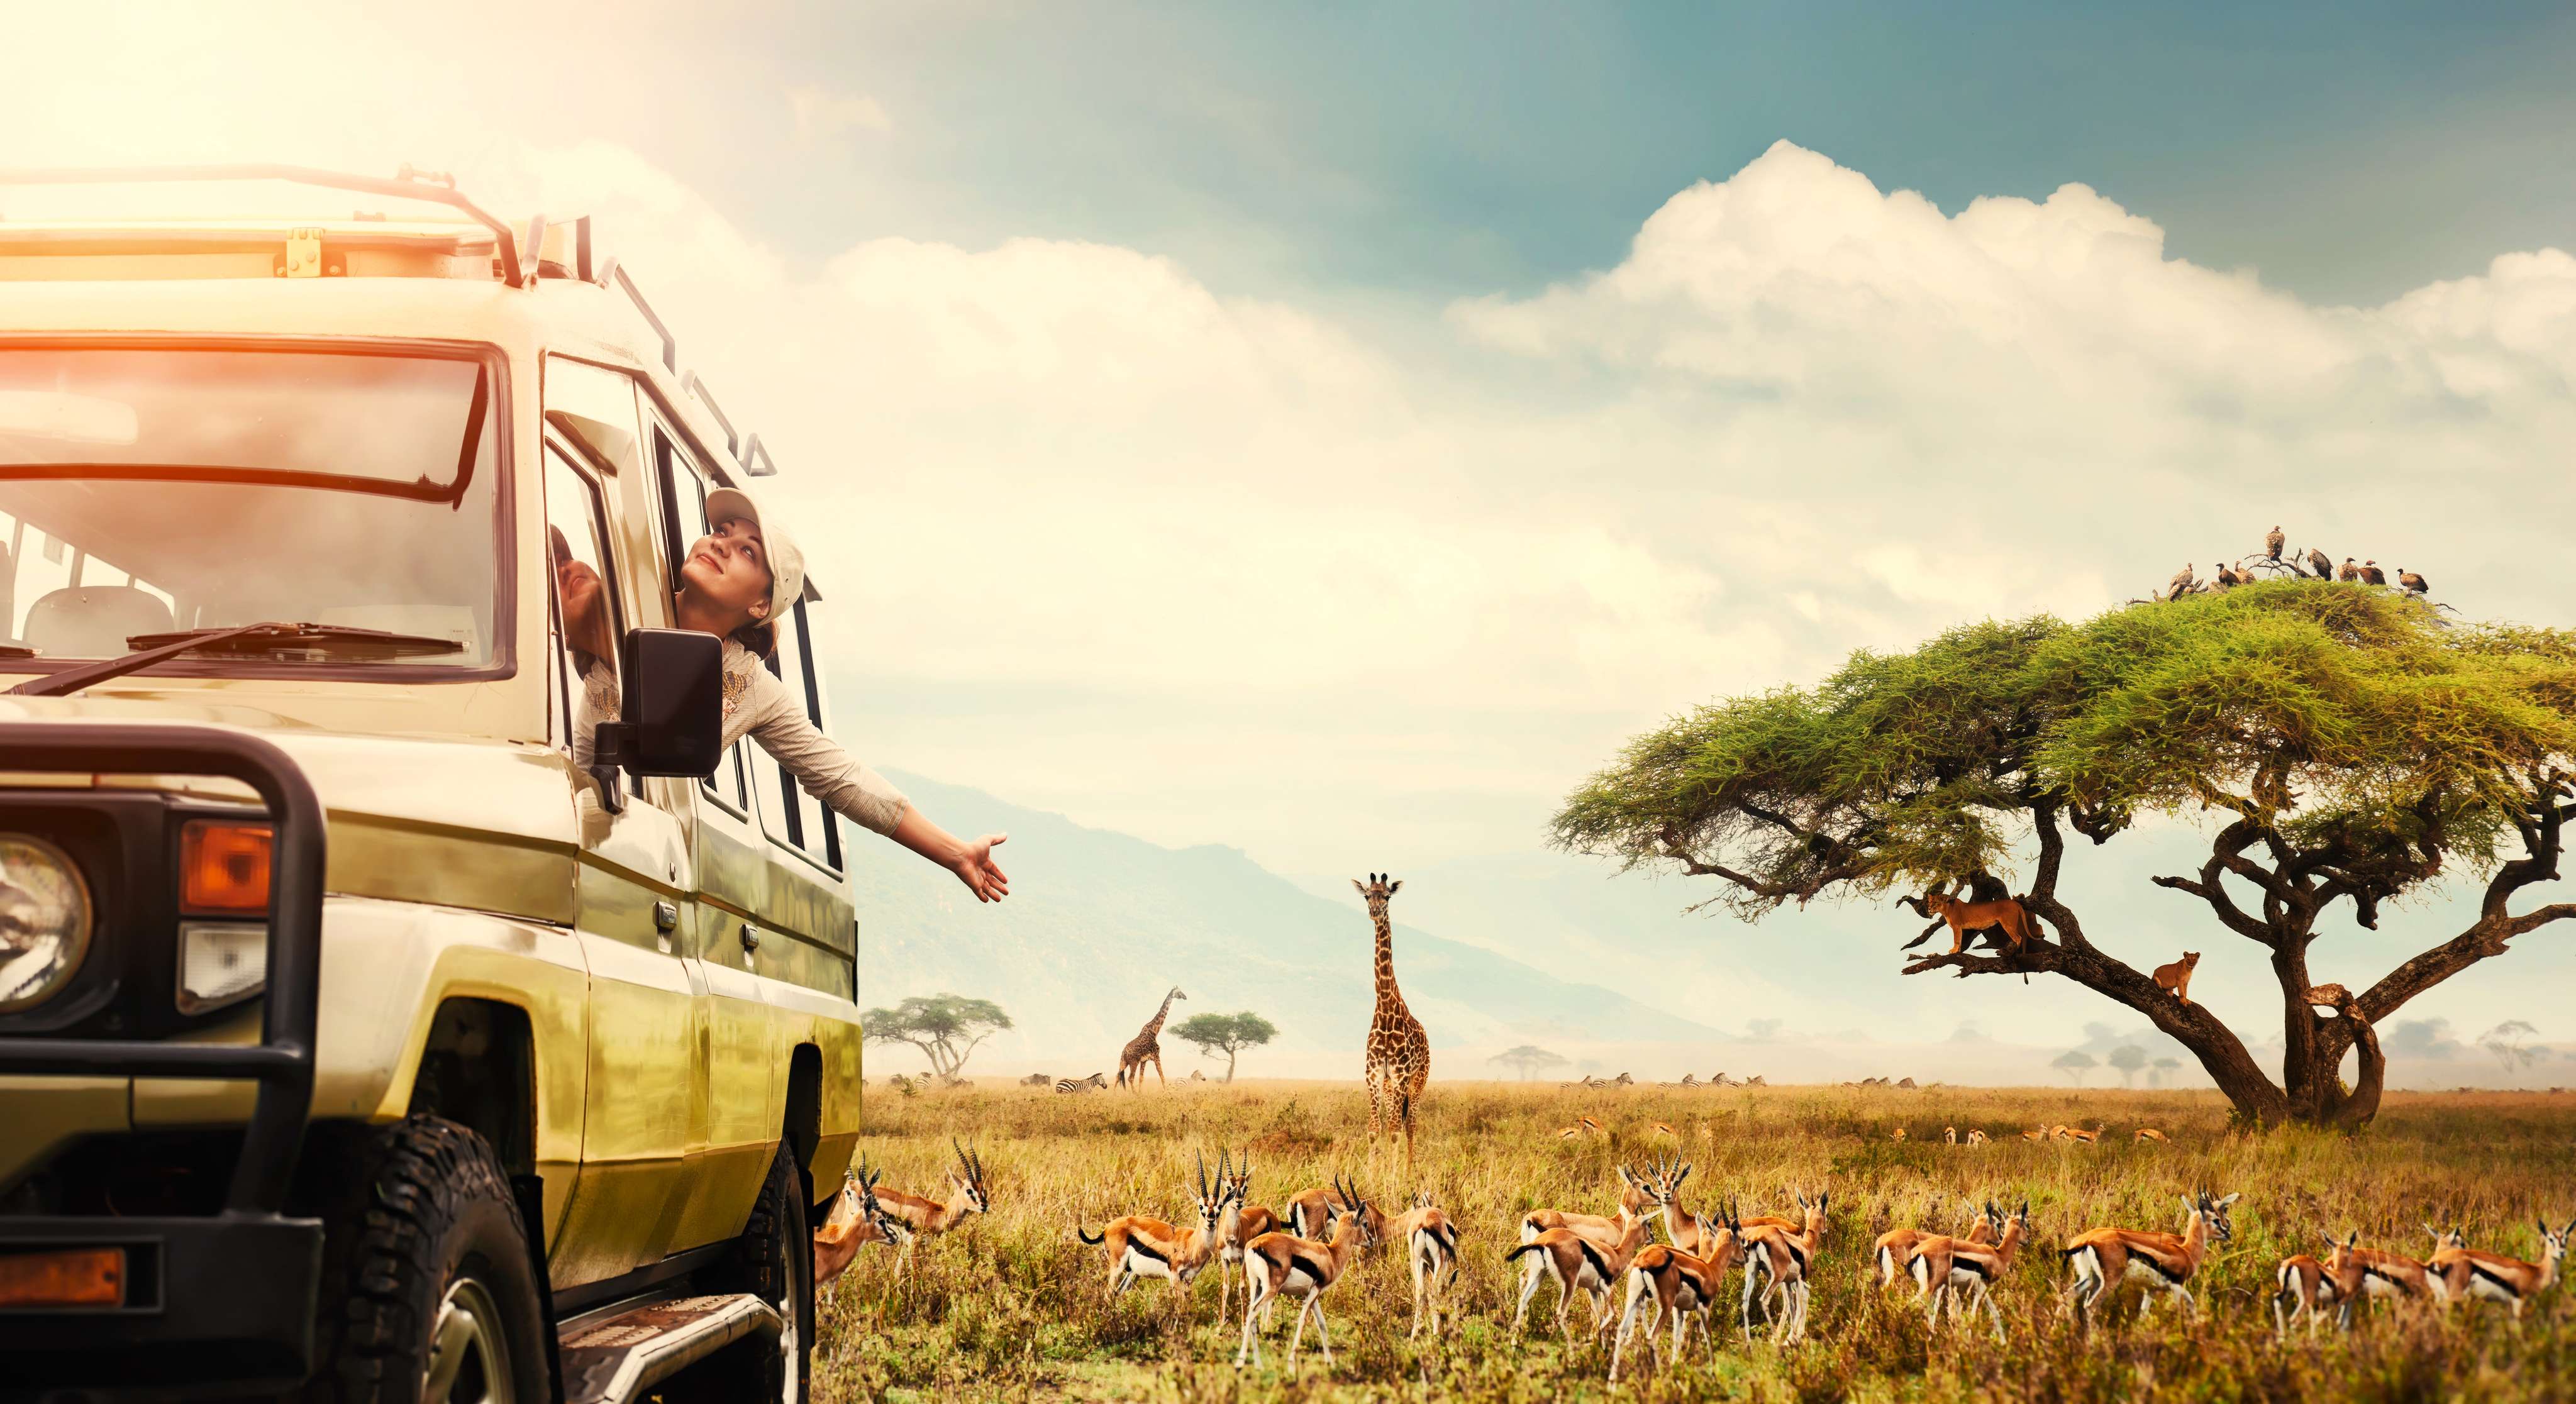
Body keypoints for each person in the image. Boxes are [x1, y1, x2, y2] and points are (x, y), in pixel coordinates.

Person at [554, 488, 1009, 904]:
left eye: (746, 552)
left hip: (640, 864)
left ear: (759, 605)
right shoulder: (610, 593)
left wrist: (955, 853)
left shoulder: (748, 684)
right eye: (720, 532)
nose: (720, 545)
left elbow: (841, 777)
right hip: (567, 827)